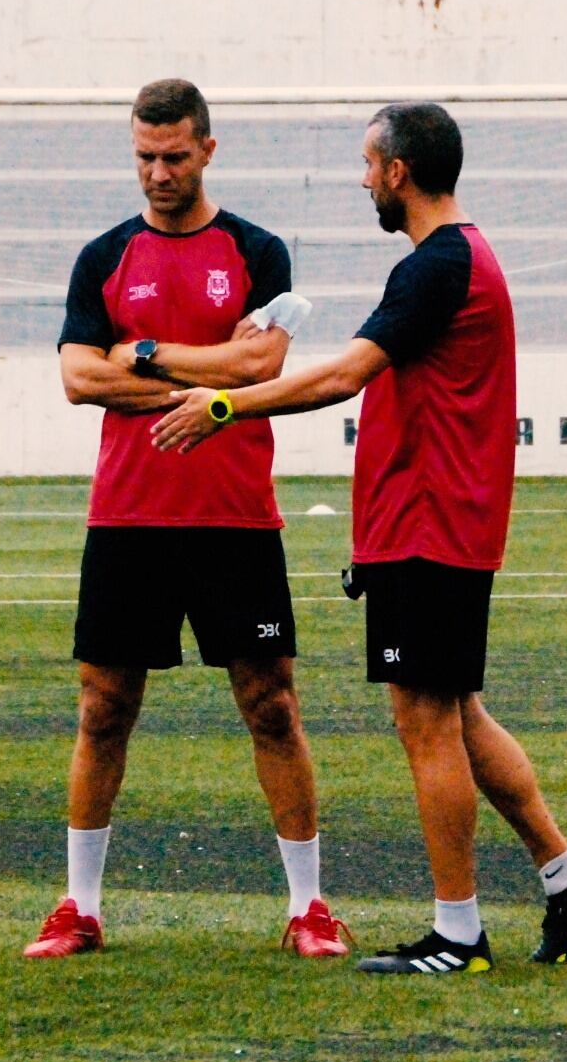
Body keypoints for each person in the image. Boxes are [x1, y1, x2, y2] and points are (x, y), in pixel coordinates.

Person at [152, 101, 567, 975]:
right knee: (457, 711)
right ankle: (566, 877)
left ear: (398, 171)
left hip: (431, 523)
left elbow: (339, 375)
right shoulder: (452, 258)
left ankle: (457, 933)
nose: (362, 178)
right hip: (439, 520)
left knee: (423, 720)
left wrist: (224, 402)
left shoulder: (437, 265)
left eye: (368, 165)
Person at [23, 79, 350, 960]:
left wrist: (146, 353)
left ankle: (309, 908)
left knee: (271, 704)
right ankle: (78, 906)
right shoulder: (102, 257)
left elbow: (263, 365)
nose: (157, 172)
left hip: (236, 519)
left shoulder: (257, 251)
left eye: (172, 156)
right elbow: (77, 378)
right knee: (102, 707)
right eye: (143, 157)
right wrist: (205, 380)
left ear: (208, 149)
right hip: (126, 517)